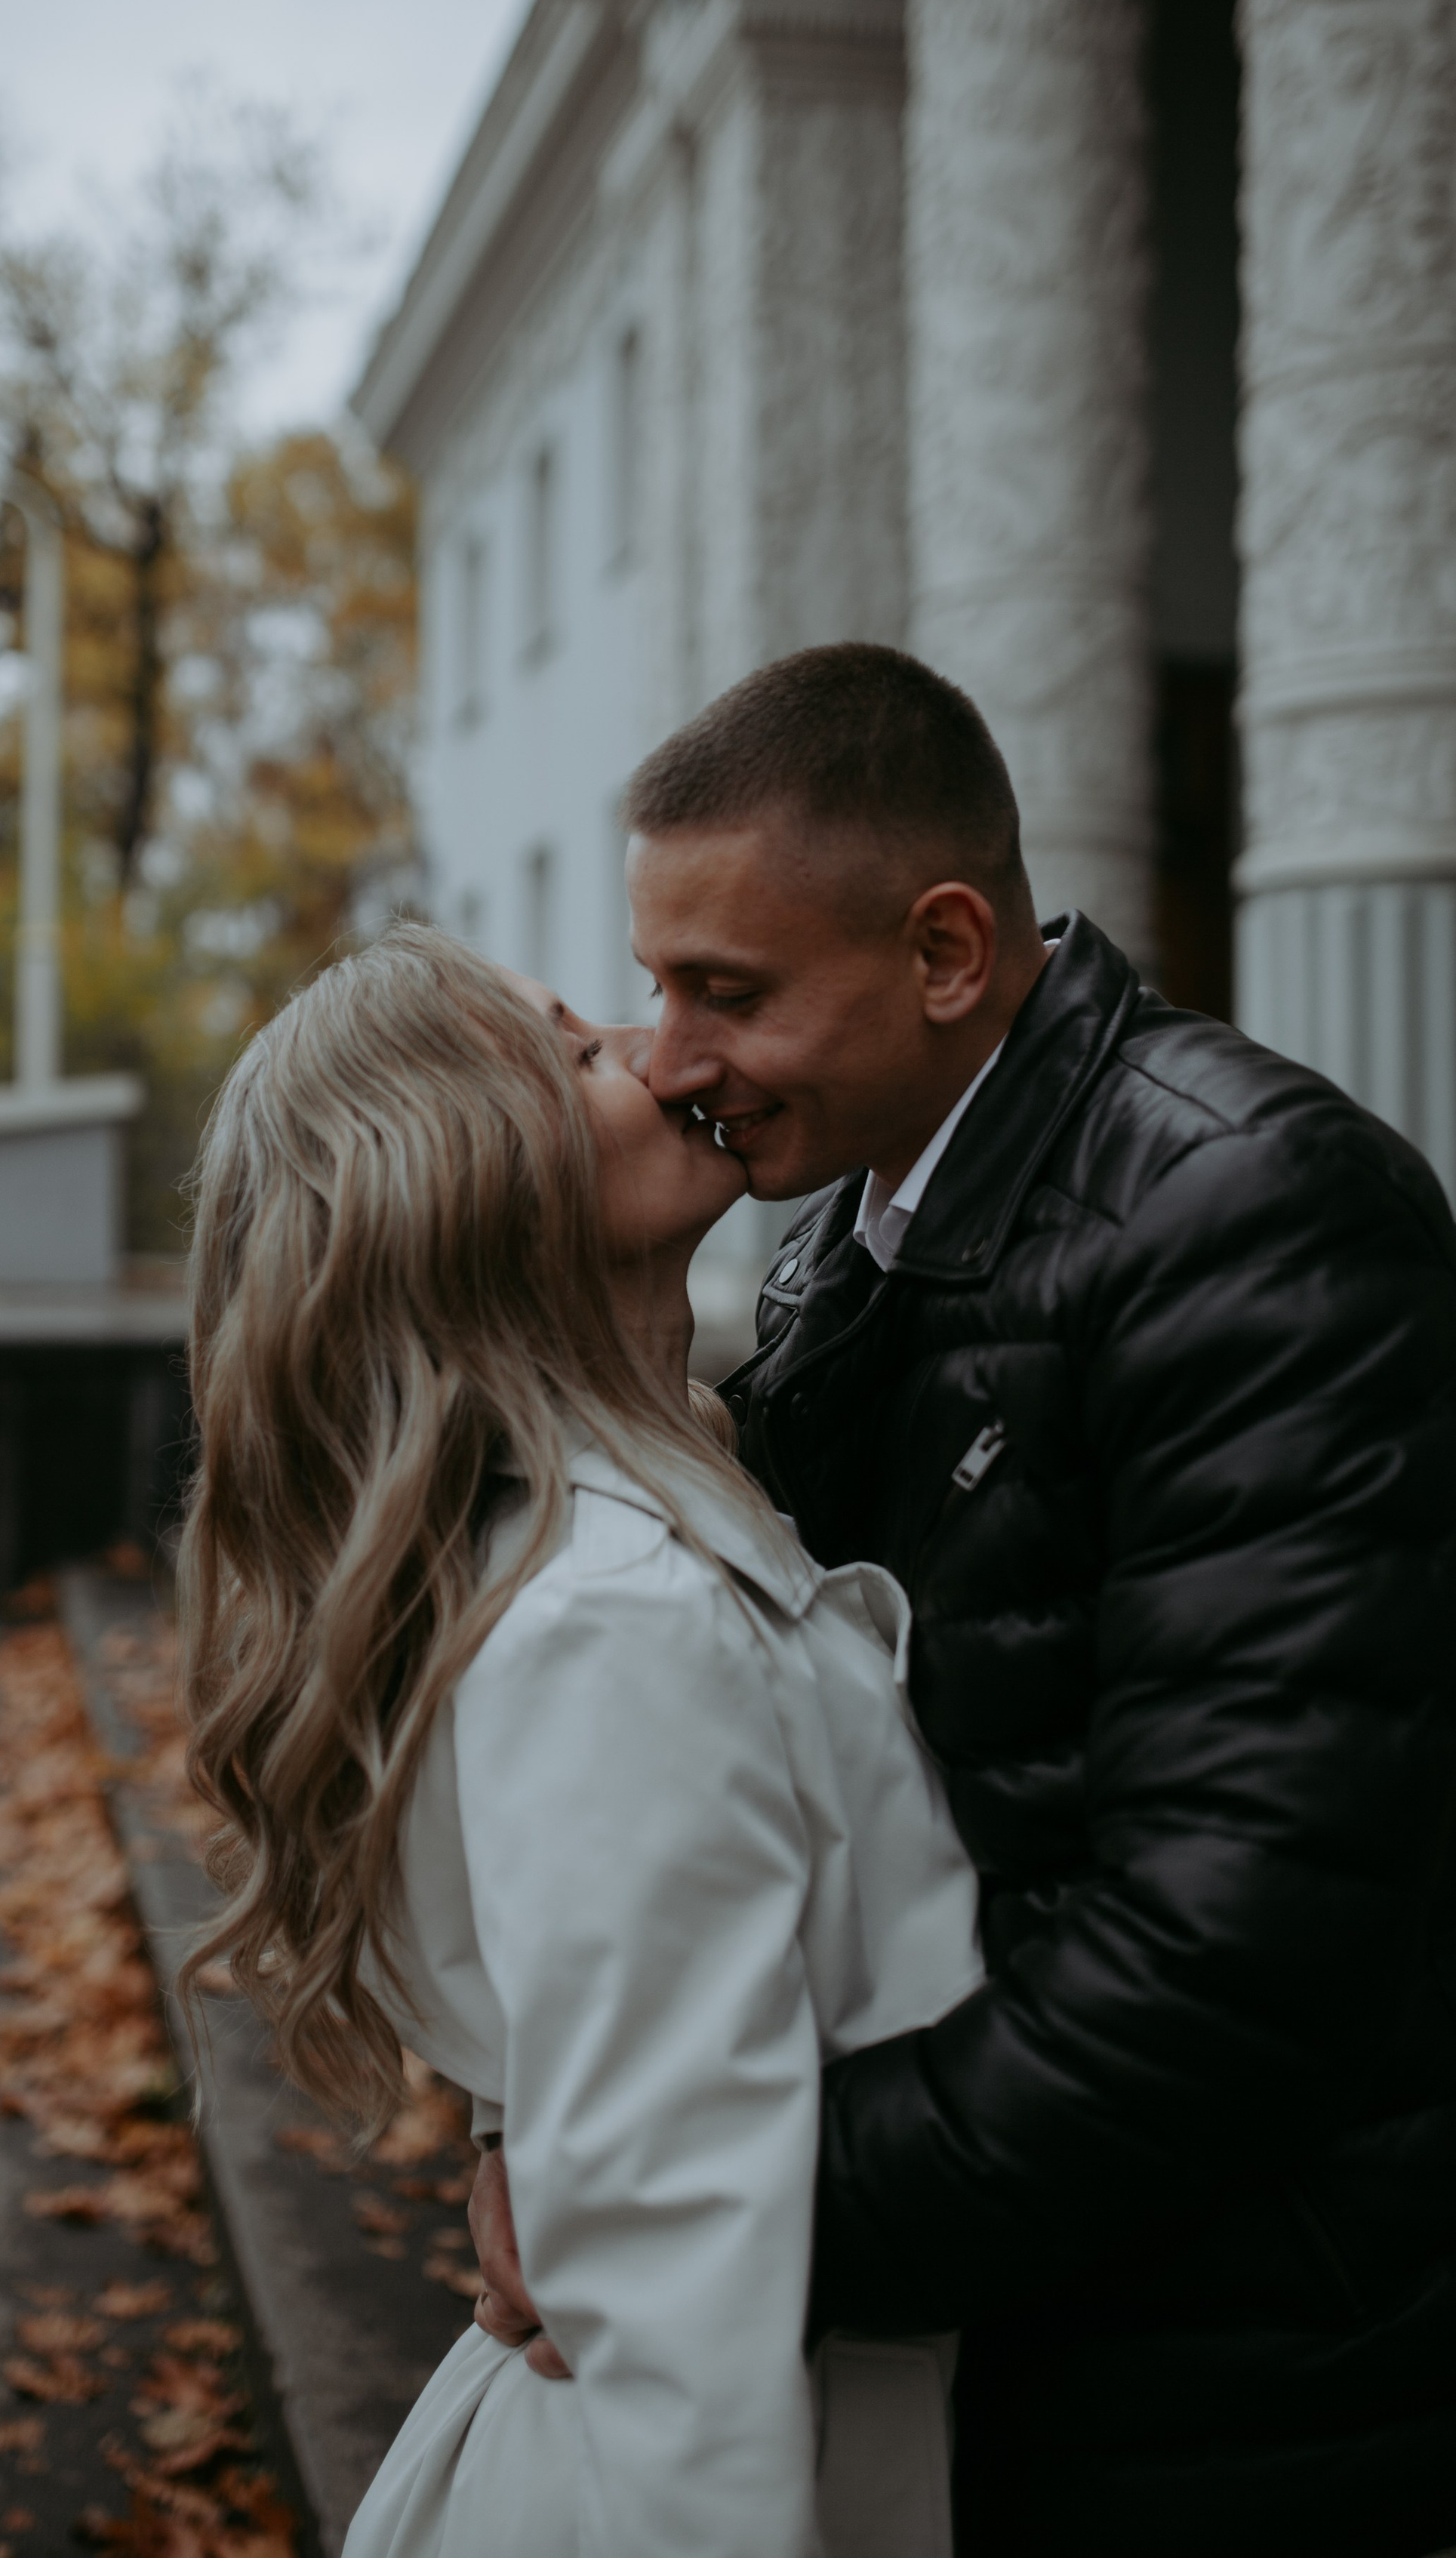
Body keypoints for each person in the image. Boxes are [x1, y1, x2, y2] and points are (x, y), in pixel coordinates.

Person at [469, 643, 1456, 2558]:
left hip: (1239, 2383)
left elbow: (1231, 1952)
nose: (668, 1059)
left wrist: (698, 2225)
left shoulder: (1250, 1217)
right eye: (655, 985)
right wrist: (581, 2135)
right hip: (1010, 2328)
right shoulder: (854, 1226)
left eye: (724, 993)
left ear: (940, 952)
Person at [175, 923, 984, 2558]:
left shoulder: (606, 1538)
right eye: (573, 1056)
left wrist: (519, 2131)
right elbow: (672, 2310)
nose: (661, 1049)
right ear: (469, 1183)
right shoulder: (608, 1616)